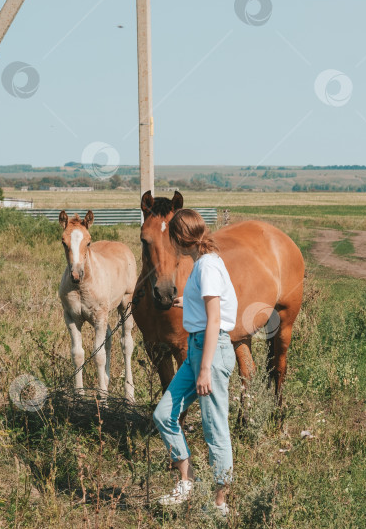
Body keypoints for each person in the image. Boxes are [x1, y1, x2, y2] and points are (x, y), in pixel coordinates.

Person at [152, 208, 238, 516]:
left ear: (178, 239)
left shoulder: (207, 267)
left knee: (215, 429)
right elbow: (206, 306)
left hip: (210, 355)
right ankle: (187, 480)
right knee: (163, 414)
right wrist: (185, 300)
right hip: (198, 348)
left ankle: (220, 504)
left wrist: (204, 369)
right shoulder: (204, 264)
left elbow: (214, 320)